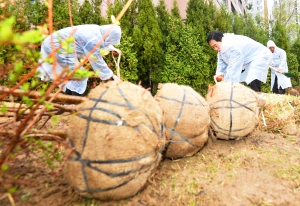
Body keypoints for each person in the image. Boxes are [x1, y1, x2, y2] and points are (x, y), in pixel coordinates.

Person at [37, 24, 122, 96]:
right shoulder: (92, 39)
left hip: (55, 44)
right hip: (55, 46)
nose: (110, 42)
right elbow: (96, 60)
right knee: (80, 76)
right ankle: (73, 105)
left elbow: (101, 42)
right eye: (111, 40)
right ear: (108, 35)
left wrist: (112, 48)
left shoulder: (96, 31)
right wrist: (111, 76)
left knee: (76, 77)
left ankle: (68, 104)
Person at [207, 31, 272, 92]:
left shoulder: (233, 47)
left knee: (254, 74)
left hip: (259, 55)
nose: (215, 49)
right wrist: (220, 73)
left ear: (221, 39)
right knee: (238, 78)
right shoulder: (221, 49)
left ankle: (256, 97)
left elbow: (233, 69)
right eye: (213, 47)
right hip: (247, 60)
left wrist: (227, 86)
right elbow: (221, 63)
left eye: (215, 45)